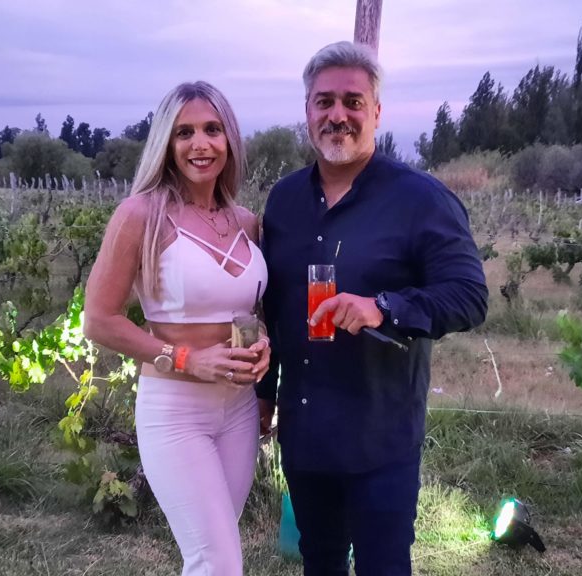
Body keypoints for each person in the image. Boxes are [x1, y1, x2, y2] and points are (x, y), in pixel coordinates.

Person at [256, 42, 488, 575]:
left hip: (380, 438)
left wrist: (385, 306)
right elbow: (274, 304)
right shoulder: (284, 200)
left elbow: (470, 296)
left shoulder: (420, 199)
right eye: (324, 101)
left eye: (353, 102)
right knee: (320, 562)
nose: (337, 114)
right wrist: (265, 393)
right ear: (308, 111)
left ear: (377, 112)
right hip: (306, 434)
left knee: (383, 566)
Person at [84, 81, 271, 576]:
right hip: (176, 411)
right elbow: (98, 320)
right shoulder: (140, 215)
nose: (199, 144)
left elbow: (253, 309)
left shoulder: (247, 222)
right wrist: (186, 359)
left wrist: (265, 343)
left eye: (212, 130)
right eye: (184, 132)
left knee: (212, 556)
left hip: (239, 411)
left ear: (229, 139)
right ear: (166, 143)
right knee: (219, 563)